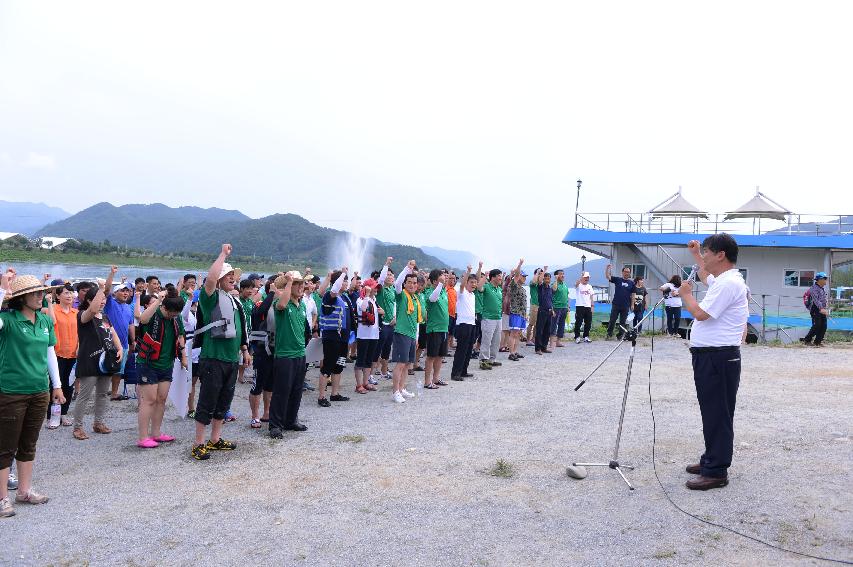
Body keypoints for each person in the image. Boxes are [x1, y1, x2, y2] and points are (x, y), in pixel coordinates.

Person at [680, 234, 749, 490]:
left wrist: (686, 295)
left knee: (717, 413)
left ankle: (716, 471)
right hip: (712, 356)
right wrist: (697, 254)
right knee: (712, 411)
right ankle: (711, 459)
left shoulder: (728, 284)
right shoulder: (724, 280)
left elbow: (700, 313)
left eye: (707, 252)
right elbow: (704, 275)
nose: (704, 256)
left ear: (721, 254)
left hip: (718, 356)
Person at [0, 271, 65, 517]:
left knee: (29, 443)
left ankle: (24, 491)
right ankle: (2, 498)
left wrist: (56, 386)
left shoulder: (45, 321)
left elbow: (50, 354)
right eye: (35, 293)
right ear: (21, 298)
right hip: (10, 391)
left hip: (39, 391)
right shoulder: (7, 320)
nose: (41, 297)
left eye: (41, 292)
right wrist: (2, 292)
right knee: (5, 446)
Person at [191, 244, 251, 461]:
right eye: (228, 275)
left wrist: (244, 349)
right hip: (213, 358)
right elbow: (209, 279)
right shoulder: (210, 297)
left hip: (231, 359)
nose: (233, 278)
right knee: (207, 400)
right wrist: (223, 255)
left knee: (224, 401)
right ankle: (198, 443)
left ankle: (215, 439)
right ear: (219, 279)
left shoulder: (234, 300)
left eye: (233, 275)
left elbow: (240, 328)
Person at [135, 289, 186, 448]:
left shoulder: (176, 318)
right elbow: (142, 319)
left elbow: (180, 336)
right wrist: (158, 300)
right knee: (148, 400)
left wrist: (183, 355)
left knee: (161, 399)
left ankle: (156, 433)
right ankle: (143, 437)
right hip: (148, 363)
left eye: (176, 314)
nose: (173, 316)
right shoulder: (154, 313)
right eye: (170, 313)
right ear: (164, 307)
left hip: (166, 364)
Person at [73, 284, 124, 441]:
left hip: (106, 360)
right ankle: (78, 427)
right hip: (89, 361)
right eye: (99, 299)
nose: (102, 302)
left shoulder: (105, 317)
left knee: (102, 394)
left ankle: (98, 423)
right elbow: (93, 310)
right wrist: (102, 289)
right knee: (85, 395)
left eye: (104, 299)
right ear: (89, 300)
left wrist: (120, 348)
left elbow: (113, 333)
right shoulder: (83, 315)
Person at [269, 272, 310, 438]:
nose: (301, 287)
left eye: (302, 284)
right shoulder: (281, 304)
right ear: (288, 286)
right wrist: (288, 282)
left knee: (296, 390)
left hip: (300, 353)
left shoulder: (302, 306)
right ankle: (275, 425)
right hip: (285, 355)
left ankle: (291, 420)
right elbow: (282, 304)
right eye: (297, 284)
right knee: (281, 391)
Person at [317, 268, 354, 407]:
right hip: (332, 336)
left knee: (339, 366)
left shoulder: (344, 298)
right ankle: (321, 396)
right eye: (344, 280)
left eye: (346, 280)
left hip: (343, 338)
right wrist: (342, 273)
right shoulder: (329, 296)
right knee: (328, 365)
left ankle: (335, 394)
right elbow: (334, 289)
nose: (346, 283)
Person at [390, 261, 422, 403]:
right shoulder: (401, 295)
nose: (412, 285)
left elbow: (416, 320)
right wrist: (406, 268)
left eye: (415, 283)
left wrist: (416, 337)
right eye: (409, 282)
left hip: (411, 334)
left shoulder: (415, 299)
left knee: (408, 364)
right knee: (401, 363)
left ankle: (402, 388)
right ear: (405, 283)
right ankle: (395, 391)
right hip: (401, 333)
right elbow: (397, 284)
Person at [104, 267, 136, 401]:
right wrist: (112, 273)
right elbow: (106, 290)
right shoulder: (110, 303)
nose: (125, 293)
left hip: (123, 343)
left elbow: (131, 325)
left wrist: (133, 341)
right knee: (105, 368)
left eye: (127, 291)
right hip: (108, 342)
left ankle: (114, 393)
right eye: (122, 291)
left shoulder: (128, 307)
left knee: (119, 369)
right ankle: (102, 391)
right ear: (115, 293)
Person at [49, 282, 78, 427]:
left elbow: (80, 333)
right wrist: (49, 302)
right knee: (54, 385)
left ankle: (64, 414)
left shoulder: (76, 313)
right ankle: (52, 415)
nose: (70, 295)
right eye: (66, 293)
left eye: (71, 293)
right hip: (57, 354)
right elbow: (49, 320)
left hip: (73, 355)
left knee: (69, 385)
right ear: (58, 296)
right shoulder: (52, 309)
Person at [450, 265, 478, 381]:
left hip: (472, 324)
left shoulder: (473, 295)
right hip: (463, 324)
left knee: (468, 349)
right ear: (467, 282)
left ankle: (464, 371)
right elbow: (461, 284)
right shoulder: (461, 292)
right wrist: (468, 271)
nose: (473, 284)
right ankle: (455, 373)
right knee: (461, 349)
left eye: (475, 282)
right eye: (471, 282)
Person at [423, 269, 450, 388]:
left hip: (444, 328)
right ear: (434, 281)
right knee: (431, 356)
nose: (443, 280)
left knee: (440, 355)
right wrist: (439, 284)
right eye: (440, 278)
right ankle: (427, 382)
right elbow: (433, 299)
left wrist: (442, 284)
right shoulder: (429, 292)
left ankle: (436, 378)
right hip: (434, 328)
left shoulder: (443, 291)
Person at [354, 278, 381, 393]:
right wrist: (367, 294)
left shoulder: (374, 300)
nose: (376, 289)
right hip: (363, 335)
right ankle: (359, 385)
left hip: (373, 334)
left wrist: (381, 311)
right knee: (361, 360)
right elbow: (364, 308)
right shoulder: (361, 299)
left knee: (369, 360)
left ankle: (366, 382)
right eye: (374, 287)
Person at [375, 258, 396, 381]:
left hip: (391, 323)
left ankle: (384, 371)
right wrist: (386, 264)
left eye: (391, 274)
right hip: (382, 322)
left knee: (387, 348)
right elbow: (381, 279)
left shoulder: (393, 289)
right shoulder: (381, 289)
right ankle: (373, 372)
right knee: (378, 347)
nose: (389, 276)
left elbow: (395, 305)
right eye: (387, 274)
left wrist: (395, 317)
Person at [478, 268, 504, 370]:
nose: (500, 278)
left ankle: (492, 359)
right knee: (486, 340)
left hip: (498, 318)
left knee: (496, 340)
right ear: (492, 277)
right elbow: (479, 287)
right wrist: (485, 276)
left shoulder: (499, 289)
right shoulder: (487, 287)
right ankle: (484, 360)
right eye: (499, 276)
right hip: (488, 318)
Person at [605, 265, 636, 340]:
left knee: (623, 322)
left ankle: (620, 336)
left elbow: (633, 294)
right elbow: (608, 276)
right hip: (616, 304)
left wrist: (632, 305)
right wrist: (607, 269)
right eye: (625, 272)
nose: (626, 273)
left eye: (628, 272)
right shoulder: (617, 279)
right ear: (622, 272)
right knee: (612, 320)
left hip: (626, 306)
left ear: (630, 273)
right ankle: (609, 334)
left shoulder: (631, 283)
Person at [506, 259, 527, 361]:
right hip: (515, 312)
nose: (525, 278)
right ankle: (511, 353)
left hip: (521, 314)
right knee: (513, 333)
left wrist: (525, 314)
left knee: (518, 334)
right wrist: (520, 264)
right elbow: (517, 274)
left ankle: (515, 351)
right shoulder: (514, 285)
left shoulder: (522, 288)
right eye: (523, 276)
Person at [237, 279, 256, 384]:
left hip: (249, 332)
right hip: (240, 333)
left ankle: (241, 375)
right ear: (242, 289)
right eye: (248, 288)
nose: (250, 291)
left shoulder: (250, 302)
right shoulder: (237, 301)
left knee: (247, 354)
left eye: (251, 289)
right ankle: (238, 375)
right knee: (239, 353)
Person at [802, 272, 829, 347]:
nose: (826, 280)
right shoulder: (813, 288)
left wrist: (824, 309)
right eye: (825, 278)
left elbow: (823, 300)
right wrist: (821, 308)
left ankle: (817, 342)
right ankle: (807, 340)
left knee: (824, 325)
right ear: (819, 279)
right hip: (815, 309)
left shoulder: (821, 289)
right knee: (817, 325)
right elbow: (816, 300)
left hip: (821, 309)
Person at [534, 271, 554, 354]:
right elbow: (539, 280)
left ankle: (544, 347)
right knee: (540, 330)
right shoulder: (540, 286)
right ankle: (538, 348)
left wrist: (552, 309)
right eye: (545, 278)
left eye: (548, 278)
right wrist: (544, 271)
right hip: (542, 311)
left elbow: (550, 300)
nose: (547, 280)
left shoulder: (550, 288)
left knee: (547, 330)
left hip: (549, 311)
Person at [550, 269, 570, 349]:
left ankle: (558, 342)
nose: (562, 275)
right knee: (553, 325)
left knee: (561, 325)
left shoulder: (565, 285)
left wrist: (568, 306)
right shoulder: (554, 284)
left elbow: (567, 295)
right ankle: (551, 343)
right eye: (560, 274)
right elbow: (554, 289)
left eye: (563, 274)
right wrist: (555, 279)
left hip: (564, 307)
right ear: (556, 275)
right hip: (556, 307)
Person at [573, 272, 594, 343]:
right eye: (585, 277)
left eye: (588, 277)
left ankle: (586, 336)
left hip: (588, 306)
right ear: (582, 278)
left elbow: (591, 297)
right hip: (580, 306)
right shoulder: (579, 285)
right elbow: (575, 285)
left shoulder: (590, 286)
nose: (587, 279)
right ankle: (577, 336)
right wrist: (581, 277)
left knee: (588, 322)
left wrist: (592, 306)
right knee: (578, 322)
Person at [526, 268, 541, 347]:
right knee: (531, 324)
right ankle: (528, 340)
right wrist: (537, 273)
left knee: (537, 324)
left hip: (540, 305)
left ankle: (533, 339)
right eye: (539, 273)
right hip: (534, 304)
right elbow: (533, 282)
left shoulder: (540, 284)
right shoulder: (533, 283)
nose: (540, 275)